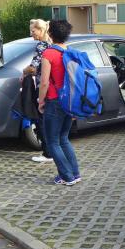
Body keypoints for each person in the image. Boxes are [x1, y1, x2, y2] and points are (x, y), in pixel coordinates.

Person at [38, 20, 82, 186]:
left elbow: (44, 82)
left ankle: (67, 177)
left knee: (52, 142)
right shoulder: (70, 52)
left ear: (50, 34)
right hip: (69, 101)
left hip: (54, 101)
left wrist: (41, 101)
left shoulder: (48, 53)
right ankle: (75, 174)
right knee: (63, 138)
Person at [23, 18, 53, 164]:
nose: (31, 34)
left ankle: (48, 153)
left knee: (40, 119)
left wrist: (24, 72)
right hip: (53, 87)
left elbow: (33, 68)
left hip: (43, 87)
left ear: (41, 30)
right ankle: (53, 151)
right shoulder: (51, 43)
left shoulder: (41, 45)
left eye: (33, 31)